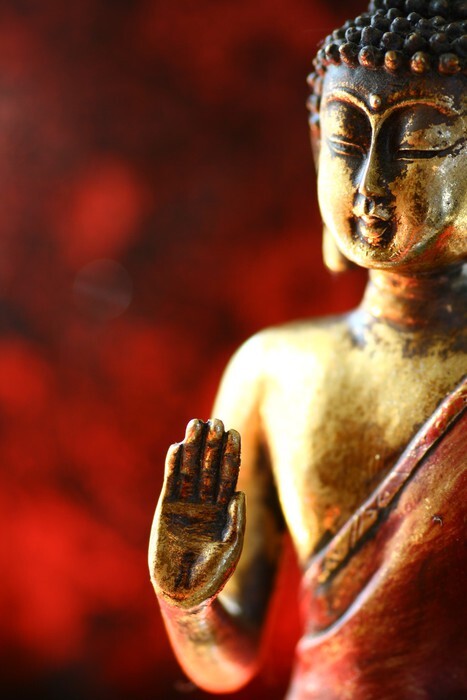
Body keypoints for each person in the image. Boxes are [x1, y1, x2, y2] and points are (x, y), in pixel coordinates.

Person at [149, 1, 467, 697]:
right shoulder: (273, 371)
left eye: (418, 143)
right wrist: (186, 597)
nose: (371, 183)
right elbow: (227, 664)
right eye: (347, 139)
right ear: (315, 146)